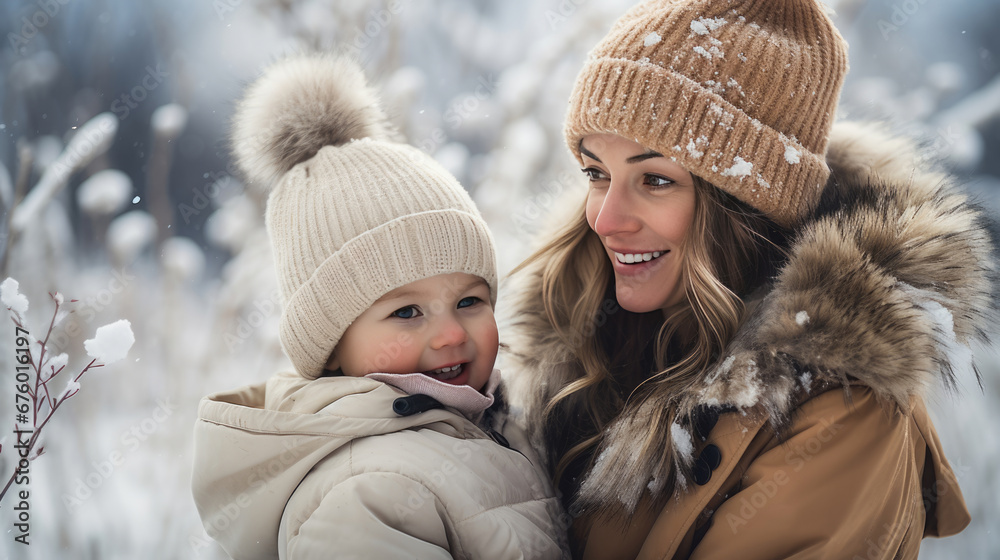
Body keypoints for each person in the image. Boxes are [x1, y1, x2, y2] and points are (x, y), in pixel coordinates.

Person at [503, 0, 995, 558]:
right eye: (597, 173)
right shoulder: (590, 349)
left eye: (656, 180)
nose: (606, 219)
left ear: (743, 203)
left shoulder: (842, 415)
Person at [191, 53, 569, 559]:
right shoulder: (365, 494)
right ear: (330, 349)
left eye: (469, 300)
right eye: (407, 312)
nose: (452, 334)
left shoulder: (499, 427)